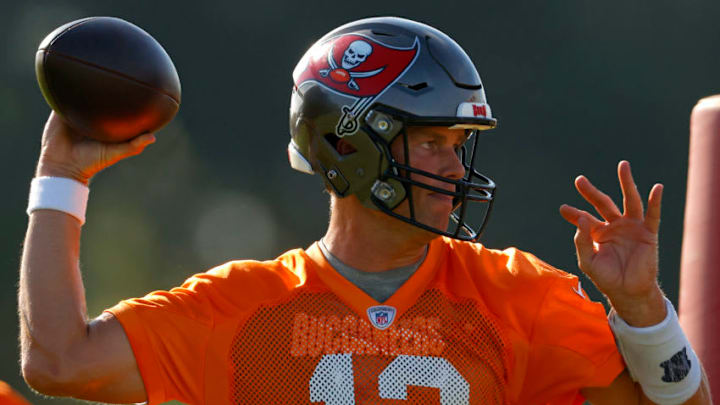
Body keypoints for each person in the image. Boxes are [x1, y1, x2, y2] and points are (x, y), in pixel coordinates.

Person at [19, 16, 712, 405]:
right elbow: (58, 359)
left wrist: (641, 307)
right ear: (348, 145)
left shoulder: (519, 296)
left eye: (458, 144)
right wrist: (60, 177)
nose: (453, 166)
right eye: (431, 142)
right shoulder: (241, 309)